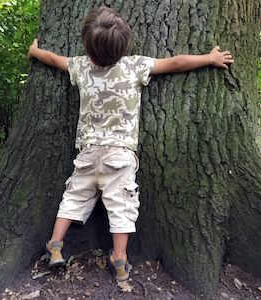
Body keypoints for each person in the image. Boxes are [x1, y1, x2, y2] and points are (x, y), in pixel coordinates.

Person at [28, 6, 233, 281]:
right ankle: (120, 258)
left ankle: (55, 245)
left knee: (73, 198)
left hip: (87, 153)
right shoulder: (135, 66)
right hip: (119, 157)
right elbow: (175, 63)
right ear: (124, 44)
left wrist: (34, 52)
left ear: (87, 46)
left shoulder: (80, 66)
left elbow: (53, 59)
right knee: (121, 207)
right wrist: (210, 58)